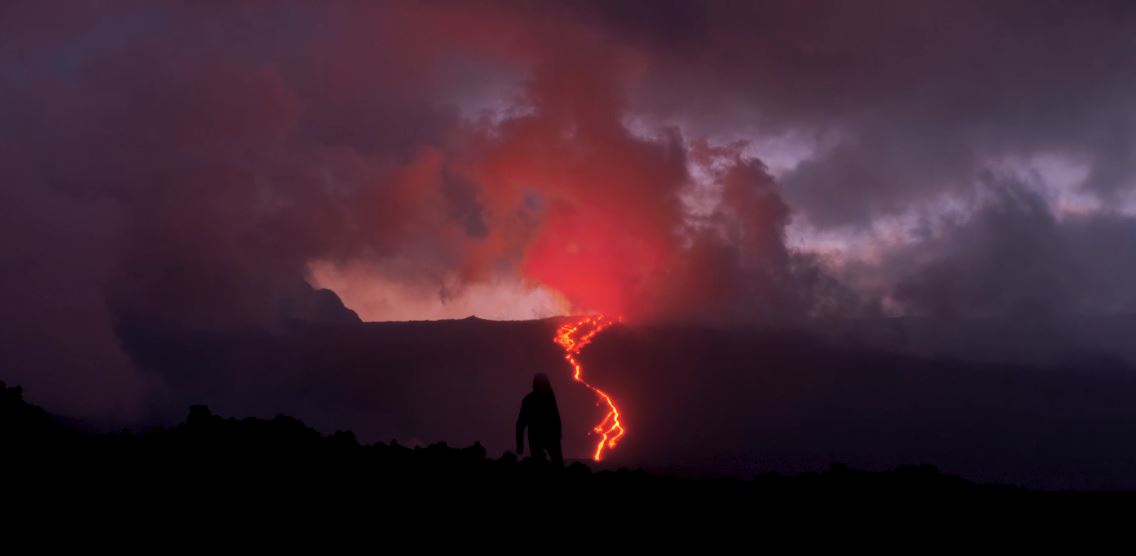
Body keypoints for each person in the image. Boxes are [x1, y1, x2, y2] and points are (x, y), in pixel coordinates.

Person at [515, 373, 563, 467]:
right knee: (556, 464)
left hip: (538, 437)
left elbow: (520, 424)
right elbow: (556, 419)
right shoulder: (548, 399)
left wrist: (520, 445)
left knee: (539, 464)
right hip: (548, 437)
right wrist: (558, 435)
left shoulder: (530, 399)